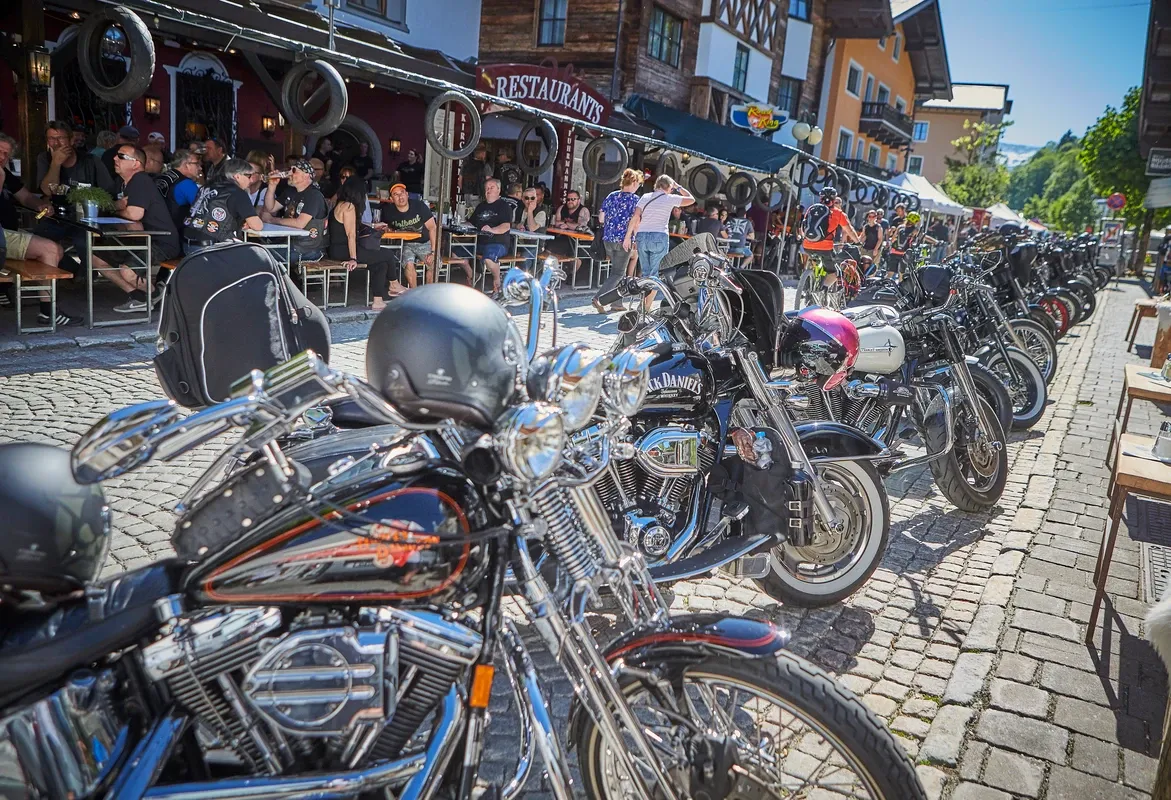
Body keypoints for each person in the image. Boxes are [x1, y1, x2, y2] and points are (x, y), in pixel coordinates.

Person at [0, 133, 79, 326]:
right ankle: (48, 312)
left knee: (57, 250)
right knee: (50, 249)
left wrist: (39, 205)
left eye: (6, 154)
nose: (2, 156)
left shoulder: (5, 173)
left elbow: (25, 197)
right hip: (1, 237)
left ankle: (47, 309)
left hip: (7, 234)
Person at [94, 144, 180, 313]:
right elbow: (114, 206)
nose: (115, 158)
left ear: (136, 163)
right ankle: (138, 297)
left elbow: (134, 214)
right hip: (137, 237)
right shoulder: (122, 182)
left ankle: (155, 296)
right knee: (96, 257)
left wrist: (116, 207)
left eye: (121, 156)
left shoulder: (140, 180)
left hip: (160, 242)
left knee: (128, 271)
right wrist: (117, 205)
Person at [329, 176, 401, 310]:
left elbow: (352, 226)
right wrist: (353, 259)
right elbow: (351, 235)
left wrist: (374, 225)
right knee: (388, 254)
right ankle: (394, 284)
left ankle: (378, 301)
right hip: (344, 250)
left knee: (381, 264)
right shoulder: (349, 206)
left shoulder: (340, 204)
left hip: (337, 249)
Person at [624, 174, 695, 311]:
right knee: (655, 275)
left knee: (645, 274)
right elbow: (691, 199)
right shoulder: (670, 198)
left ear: (657, 185)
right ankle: (645, 307)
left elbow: (635, 217)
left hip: (642, 236)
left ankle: (644, 305)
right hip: (659, 236)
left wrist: (628, 237)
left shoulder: (645, 197)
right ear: (669, 187)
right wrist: (678, 186)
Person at [182, 158, 263, 254]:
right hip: (210, 249)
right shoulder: (238, 193)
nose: (251, 180)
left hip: (186, 244)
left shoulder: (206, 187)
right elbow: (257, 226)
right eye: (249, 176)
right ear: (237, 176)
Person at [591, 168, 643, 313]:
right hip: (624, 241)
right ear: (633, 182)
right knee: (618, 273)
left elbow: (601, 218)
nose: (638, 186)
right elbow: (636, 223)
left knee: (616, 271)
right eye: (638, 183)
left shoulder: (612, 195)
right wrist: (635, 240)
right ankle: (598, 298)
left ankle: (617, 303)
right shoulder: (635, 200)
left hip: (608, 239)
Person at [261, 158, 328, 271]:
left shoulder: (314, 195)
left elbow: (300, 223)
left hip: (309, 249)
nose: (289, 173)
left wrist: (272, 220)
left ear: (306, 175)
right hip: (291, 244)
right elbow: (270, 208)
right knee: (260, 253)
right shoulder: (290, 191)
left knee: (264, 257)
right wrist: (272, 186)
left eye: (294, 170)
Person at [380, 182, 442, 287]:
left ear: (407, 194)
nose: (400, 196)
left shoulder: (419, 206)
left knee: (434, 264)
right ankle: (415, 294)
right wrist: (387, 228)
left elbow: (433, 228)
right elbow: (385, 227)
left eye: (402, 193)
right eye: (396, 194)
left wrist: (433, 251)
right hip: (405, 243)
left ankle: (428, 293)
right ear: (391, 198)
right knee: (408, 264)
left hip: (425, 242)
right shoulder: (388, 211)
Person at [36, 120, 116, 196]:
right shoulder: (44, 158)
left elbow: (109, 191)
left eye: (61, 138)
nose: (56, 143)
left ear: (71, 140)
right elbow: (47, 191)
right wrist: (55, 163)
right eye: (51, 139)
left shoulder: (91, 160)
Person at [801, 187, 859, 288]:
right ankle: (824, 288)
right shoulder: (838, 213)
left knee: (813, 259)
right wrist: (857, 242)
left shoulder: (812, 209)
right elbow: (849, 230)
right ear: (834, 199)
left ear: (821, 198)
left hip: (807, 245)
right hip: (825, 248)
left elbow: (803, 226)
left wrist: (805, 238)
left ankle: (806, 283)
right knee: (834, 272)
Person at [470, 177, 511, 294]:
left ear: (498, 190)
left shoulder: (504, 206)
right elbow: (471, 222)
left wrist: (492, 230)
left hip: (497, 242)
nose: (488, 190)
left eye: (491, 187)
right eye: (487, 188)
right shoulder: (481, 206)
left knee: (488, 259)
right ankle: (473, 275)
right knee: (456, 252)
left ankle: (497, 280)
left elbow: (506, 226)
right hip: (479, 242)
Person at [547, 190, 591, 278]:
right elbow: (556, 223)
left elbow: (581, 227)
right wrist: (570, 225)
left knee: (576, 254)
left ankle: (573, 277)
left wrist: (566, 224)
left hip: (581, 241)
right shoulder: (562, 208)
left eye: (573, 199)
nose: (570, 201)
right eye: (568, 199)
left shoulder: (583, 210)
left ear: (579, 200)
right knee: (549, 247)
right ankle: (551, 274)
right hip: (564, 238)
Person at [156, 151, 202, 232]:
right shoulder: (186, 184)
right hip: (177, 234)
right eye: (197, 164)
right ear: (186, 165)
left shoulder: (161, 178)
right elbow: (202, 209)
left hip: (156, 228)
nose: (200, 168)